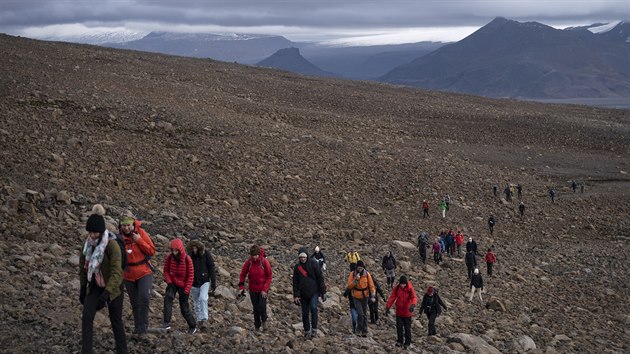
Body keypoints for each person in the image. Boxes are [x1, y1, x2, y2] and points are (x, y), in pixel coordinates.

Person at [79, 205, 127, 354]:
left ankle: (122, 351)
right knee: (86, 317)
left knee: (116, 321)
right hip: (95, 284)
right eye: (90, 232)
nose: (92, 235)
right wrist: (82, 288)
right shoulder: (88, 246)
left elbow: (116, 272)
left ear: (101, 232)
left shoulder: (112, 246)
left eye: (95, 233)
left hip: (113, 288)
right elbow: (83, 267)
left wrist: (106, 294)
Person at [119, 211, 155, 335]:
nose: (126, 228)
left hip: (144, 271)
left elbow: (151, 251)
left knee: (144, 297)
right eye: (124, 225)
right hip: (128, 274)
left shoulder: (141, 233)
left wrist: (139, 241)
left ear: (133, 224)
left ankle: (143, 328)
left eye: (128, 225)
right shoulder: (119, 238)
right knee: (135, 303)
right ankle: (137, 328)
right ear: (121, 225)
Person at [162, 238, 196, 334]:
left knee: (184, 307)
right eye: (172, 250)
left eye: (176, 250)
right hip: (173, 283)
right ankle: (166, 322)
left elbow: (191, 276)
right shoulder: (170, 257)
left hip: (184, 285)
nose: (174, 252)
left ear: (180, 249)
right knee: (168, 299)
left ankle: (192, 326)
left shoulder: (187, 259)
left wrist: (186, 290)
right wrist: (169, 282)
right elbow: (166, 271)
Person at [293, 247, 327, 339]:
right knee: (305, 313)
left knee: (313, 308)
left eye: (304, 257)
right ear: (299, 258)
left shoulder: (313, 264)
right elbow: (295, 282)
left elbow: (320, 278)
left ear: (307, 256)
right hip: (303, 294)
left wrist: (323, 291)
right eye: (301, 257)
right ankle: (307, 331)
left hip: (314, 292)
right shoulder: (297, 267)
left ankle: (314, 330)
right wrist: (296, 295)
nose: (303, 259)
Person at [239, 244, 272, 332]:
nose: (255, 257)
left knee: (262, 306)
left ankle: (264, 321)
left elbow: (269, 276)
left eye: (256, 255)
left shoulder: (264, 262)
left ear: (259, 254)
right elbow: (243, 274)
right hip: (253, 288)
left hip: (262, 288)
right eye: (253, 255)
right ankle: (257, 325)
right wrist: (241, 286)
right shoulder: (249, 262)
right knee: (255, 308)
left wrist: (265, 289)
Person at [188, 236, 217, 330]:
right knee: (196, 302)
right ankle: (199, 320)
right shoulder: (189, 257)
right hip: (193, 282)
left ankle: (204, 319)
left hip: (204, 281)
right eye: (192, 248)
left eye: (195, 248)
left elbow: (211, 267)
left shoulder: (206, 254)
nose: (194, 250)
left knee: (203, 298)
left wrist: (213, 282)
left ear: (199, 248)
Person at [385, 276, 417, 348]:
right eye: (401, 284)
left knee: (407, 328)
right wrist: (388, 307)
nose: (402, 285)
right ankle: (400, 341)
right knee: (399, 328)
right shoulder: (397, 288)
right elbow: (392, 297)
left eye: (404, 284)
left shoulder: (409, 288)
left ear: (406, 283)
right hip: (399, 312)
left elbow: (414, 297)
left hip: (407, 312)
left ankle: (407, 342)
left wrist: (413, 305)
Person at [347, 260, 376, 337]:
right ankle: (358, 329)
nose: (360, 270)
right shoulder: (352, 274)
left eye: (361, 268)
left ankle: (365, 330)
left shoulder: (366, 274)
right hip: (356, 296)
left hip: (365, 296)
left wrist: (373, 296)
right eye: (359, 268)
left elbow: (371, 286)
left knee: (364, 314)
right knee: (360, 313)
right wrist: (356, 280)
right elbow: (349, 286)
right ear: (357, 267)